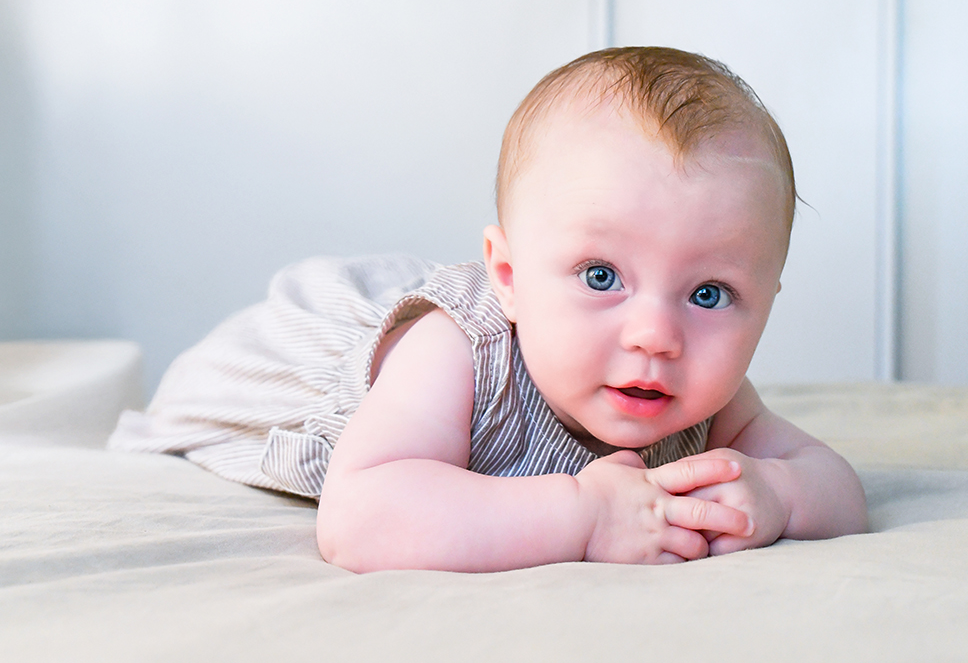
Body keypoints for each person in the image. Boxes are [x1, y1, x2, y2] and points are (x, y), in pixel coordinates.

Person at [110, 47, 867, 572]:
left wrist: (777, 495)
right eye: (601, 275)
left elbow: (834, 483)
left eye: (710, 294)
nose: (656, 336)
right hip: (282, 372)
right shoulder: (459, 352)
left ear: (767, 299)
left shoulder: (704, 393)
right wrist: (583, 514)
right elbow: (360, 517)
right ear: (506, 273)